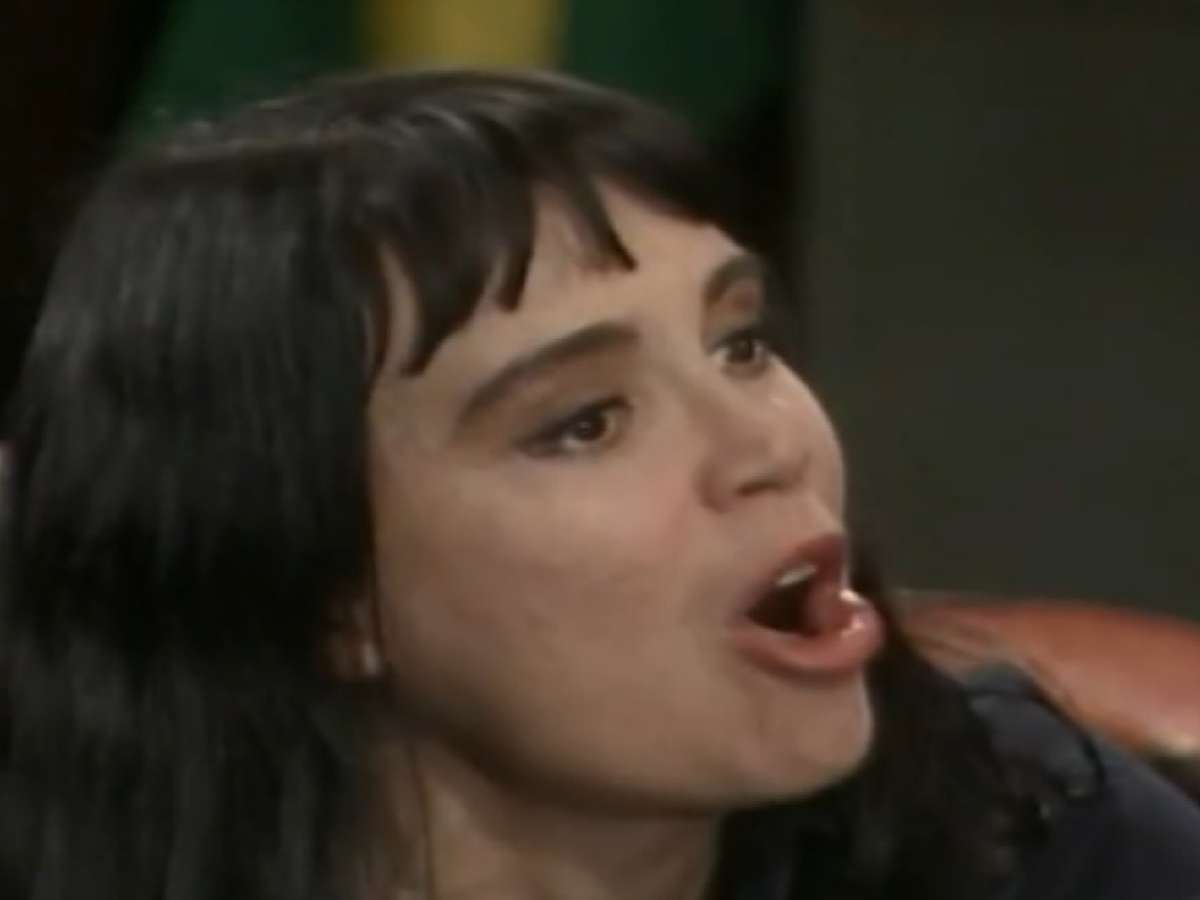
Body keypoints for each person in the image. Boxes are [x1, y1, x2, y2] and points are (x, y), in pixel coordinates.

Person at [1, 69, 1198, 900]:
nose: (767, 446)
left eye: (740, 344)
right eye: (584, 423)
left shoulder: (1031, 839)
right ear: (326, 590)